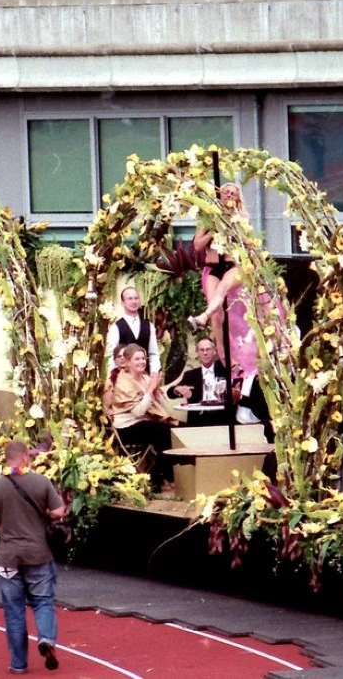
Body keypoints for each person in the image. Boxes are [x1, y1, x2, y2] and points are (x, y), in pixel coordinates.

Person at [0, 439, 66, 675]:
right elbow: (59, 511)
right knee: (43, 601)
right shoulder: (41, 481)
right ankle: (46, 637)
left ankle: (19, 664)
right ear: (26, 457)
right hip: (39, 554)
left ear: (7, 458)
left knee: (14, 611)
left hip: (8, 558)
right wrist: (47, 513)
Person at [187, 183, 248, 350]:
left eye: (233, 193)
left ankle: (202, 318)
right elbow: (198, 245)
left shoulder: (240, 218)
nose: (229, 195)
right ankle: (221, 352)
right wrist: (212, 232)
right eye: (226, 192)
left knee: (221, 290)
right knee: (217, 313)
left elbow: (248, 245)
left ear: (237, 199)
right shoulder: (209, 217)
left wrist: (233, 228)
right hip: (213, 267)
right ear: (220, 194)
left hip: (232, 266)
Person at [109, 344, 177, 491]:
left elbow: (164, 407)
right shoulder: (123, 381)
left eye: (143, 358)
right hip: (127, 427)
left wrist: (157, 392)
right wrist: (150, 391)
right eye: (137, 359)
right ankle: (157, 476)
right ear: (127, 363)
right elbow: (138, 412)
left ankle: (161, 476)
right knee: (164, 432)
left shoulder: (146, 378)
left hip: (144, 422)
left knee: (174, 431)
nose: (141, 362)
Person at [168, 338, 230, 426]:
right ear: (197, 353)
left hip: (222, 420)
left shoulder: (225, 371)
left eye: (208, 349)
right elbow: (170, 393)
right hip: (198, 421)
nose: (205, 353)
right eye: (202, 350)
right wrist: (177, 390)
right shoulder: (190, 375)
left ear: (214, 351)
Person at [105, 286, 161, 376]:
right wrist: (113, 376)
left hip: (145, 377)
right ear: (122, 302)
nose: (134, 301)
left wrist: (154, 373)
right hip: (125, 378)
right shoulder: (116, 327)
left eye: (136, 298)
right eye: (130, 299)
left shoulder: (149, 326)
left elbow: (153, 353)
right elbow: (111, 355)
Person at [102, 343, 132, 414]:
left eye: (125, 355)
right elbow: (107, 404)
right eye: (119, 356)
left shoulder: (138, 374)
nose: (122, 358)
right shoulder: (110, 379)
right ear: (115, 360)